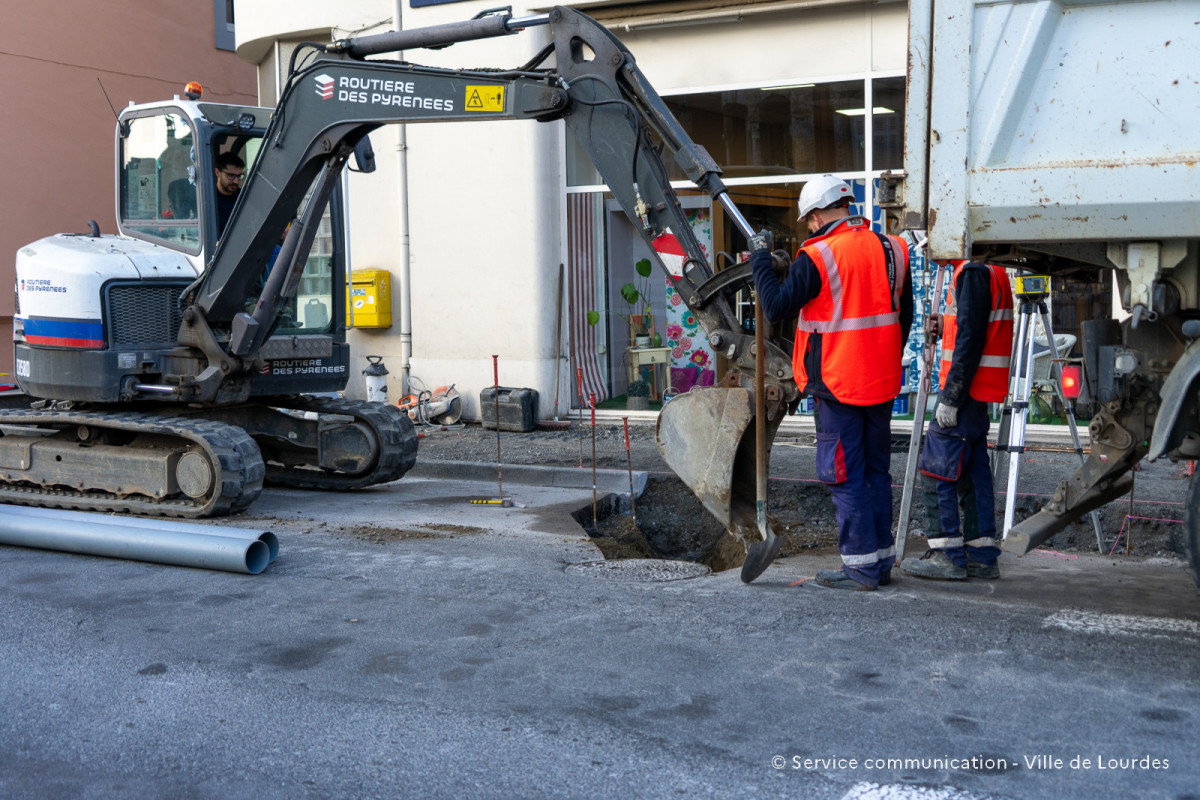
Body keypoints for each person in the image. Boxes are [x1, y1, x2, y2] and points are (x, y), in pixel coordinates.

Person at [750, 174, 913, 591]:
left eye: (808, 220)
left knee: (844, 473)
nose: (807, 227)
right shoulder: (893, 249)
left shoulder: (819, 254)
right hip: (880, 382)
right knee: (877, 471)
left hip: (838, 384)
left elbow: (775, 305)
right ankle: (880, 562)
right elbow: (903, 317)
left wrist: (760, 260)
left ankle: (859, 568)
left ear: (819, 214)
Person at [903, 261, 1013, 580]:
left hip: (966, 392)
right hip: (978, 393)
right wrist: (945, 324)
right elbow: (970, 328)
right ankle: (981, 555)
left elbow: (970, 340)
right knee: (973, 476)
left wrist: (951, 397)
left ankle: (946, 554)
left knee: (936, 470)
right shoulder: (990, 269)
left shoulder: (973, 271)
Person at [213, 152, 245, 236]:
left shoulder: (245, 197)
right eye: (231, 175)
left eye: (239, 176)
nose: (236, 181)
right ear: (217, 172)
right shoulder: (208, 199)